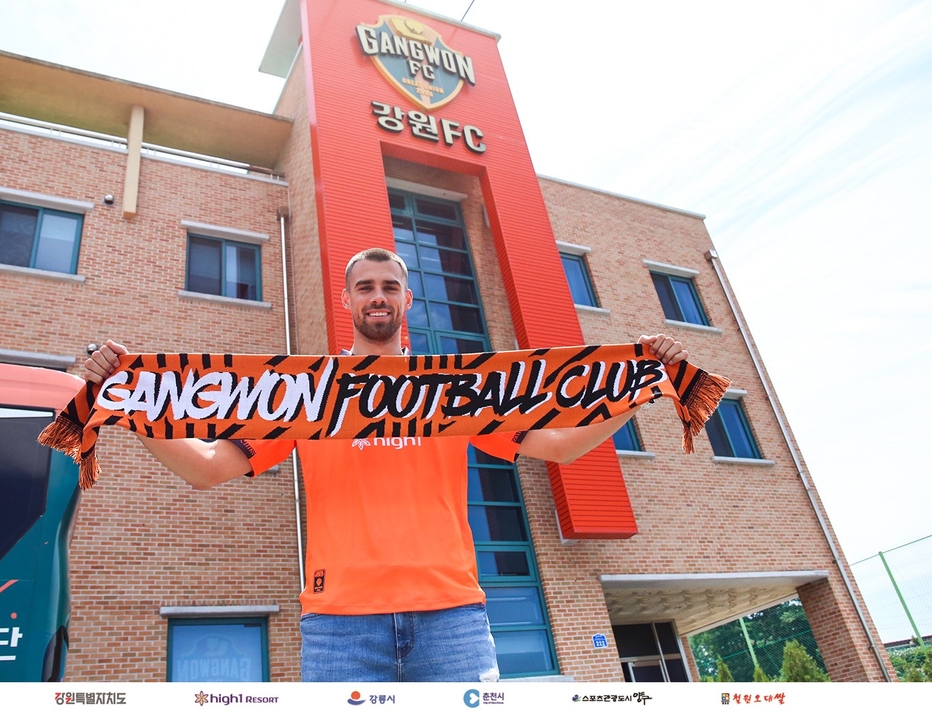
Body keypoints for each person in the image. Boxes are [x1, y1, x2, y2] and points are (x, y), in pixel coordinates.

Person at [85, 247, 689, 682]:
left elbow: (559, 446)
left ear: (407, 299)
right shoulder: (306, 391)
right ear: (347, 299)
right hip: (339, 626)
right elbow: (207, 467)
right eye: (366, 287)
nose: (378, 296)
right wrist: (129, 405)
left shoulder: (452, 388)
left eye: (390, 287)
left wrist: (641, 388)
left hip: (452, 618)